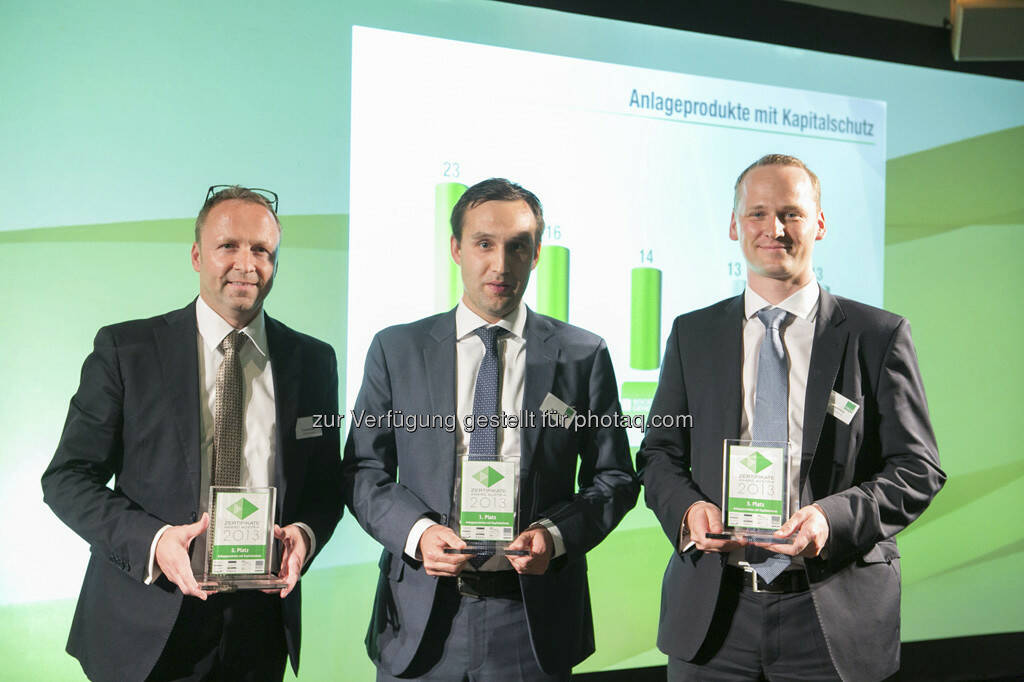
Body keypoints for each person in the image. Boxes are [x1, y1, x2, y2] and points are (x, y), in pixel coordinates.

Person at [638, 154, 945, 681]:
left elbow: (918, 470)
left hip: (831, 616)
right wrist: (689, 510)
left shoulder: (876, 335)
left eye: (791, 214)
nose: (773, 229)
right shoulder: (694, 334)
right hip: (714, 615)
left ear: (819, 224)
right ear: (735, 225)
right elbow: (660, 454)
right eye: (757, 214)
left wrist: (830, 518)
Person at [41, 185, 344, 681]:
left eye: (262, 250)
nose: (246, 264)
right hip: (145, 621)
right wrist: (155, 541)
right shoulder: (127, 349)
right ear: (198, 255)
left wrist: (304, 538)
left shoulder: (312, 362)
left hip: (260, 624)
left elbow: (326, 486)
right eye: (229, 246)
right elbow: (68, 478)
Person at [343, 178, 639, 681]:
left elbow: (615, 478)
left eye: (517, 246)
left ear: (536, 254)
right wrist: (417, 533)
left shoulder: (582, 355)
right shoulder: (398, 350)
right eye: (484, 244)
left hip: (530, 621)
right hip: (420, 616)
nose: (500, 264)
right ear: (456, 249)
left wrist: (555, 535)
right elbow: (363, 469)